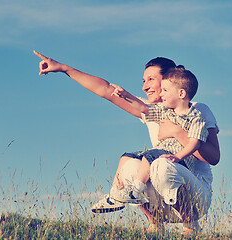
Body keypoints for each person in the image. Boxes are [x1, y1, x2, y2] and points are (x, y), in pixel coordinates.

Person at [33, 51, 220, 234]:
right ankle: (155, 224)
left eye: (151, 80)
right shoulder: (154, 111)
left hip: (195, 198)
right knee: (131, 166)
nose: (145, 87)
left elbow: (213, 157)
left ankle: (190, 226)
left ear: (169, 81)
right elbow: (106, 90)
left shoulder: (197, 110)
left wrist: (178, 133)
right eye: (144, 81)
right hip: (163, 198)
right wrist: (64, 69)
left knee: (162, 165)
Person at [103, 67, 209, 208]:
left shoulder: (196, 118)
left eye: (165, 90)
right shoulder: (164, 111)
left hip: (181, 163)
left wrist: (178, 156)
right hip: (161, 156)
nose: (161, 93)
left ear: (181, 93)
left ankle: (136, 190)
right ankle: (115, 196)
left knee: (151, 154)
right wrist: (125, 95)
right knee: (130, 156)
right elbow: (142, 107)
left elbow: (194, 144)